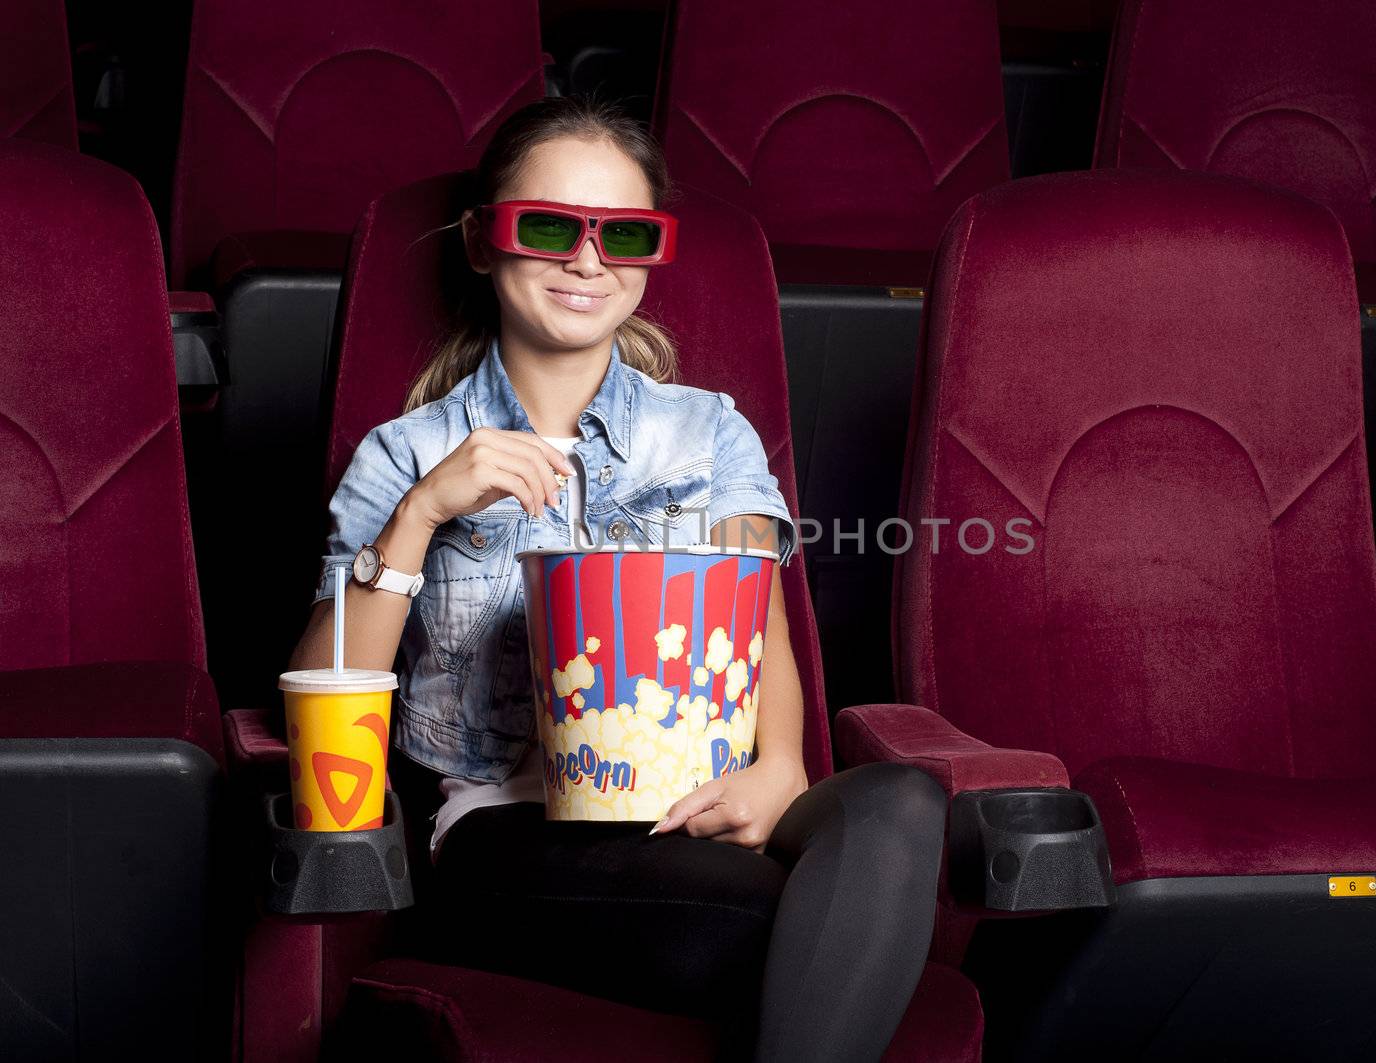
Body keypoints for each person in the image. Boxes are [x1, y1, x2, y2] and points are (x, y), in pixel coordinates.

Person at [287, 96, 947, 1062]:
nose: (588, 261)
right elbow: (322, 693)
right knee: (818, 922)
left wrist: (780, 767)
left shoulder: (711, 430)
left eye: (625, 234)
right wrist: (421, 516)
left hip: (697, 805)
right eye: (550, 227)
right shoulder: (408, 453)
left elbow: (751, 620)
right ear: (482, 241)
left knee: (904, 805)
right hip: (505, 827)